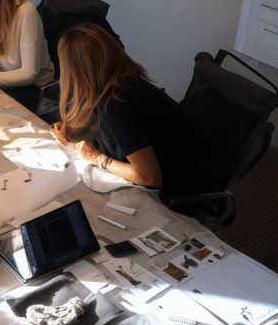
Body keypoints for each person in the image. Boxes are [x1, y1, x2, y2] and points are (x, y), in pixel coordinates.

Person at [50, 23, 201, 198]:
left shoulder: (116, 106)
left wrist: (98, 159)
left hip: (170, 192)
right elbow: (92, 105)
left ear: (77, 71)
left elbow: (151, 178)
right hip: (183, 166)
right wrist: (71, 127)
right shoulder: (124, 79)